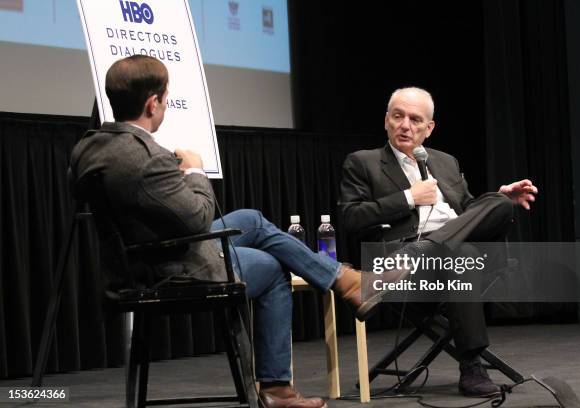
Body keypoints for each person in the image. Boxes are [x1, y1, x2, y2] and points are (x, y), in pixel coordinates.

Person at [69, 55, 409, 408]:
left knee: (250, 218)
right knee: (272, 267)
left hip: (134, 260)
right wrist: (194, 171)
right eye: (166, 99)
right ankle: (278, 388)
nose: (166, 106)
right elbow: (199, 219)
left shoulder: (90, 148)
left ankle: (345, 280)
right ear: (152, 102)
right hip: (166, 269)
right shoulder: (146, 157)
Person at [338, 87, 538, 397]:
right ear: (386, 121)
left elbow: (469, 211)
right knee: (462, 253)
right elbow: (350, 218)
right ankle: (471, 367)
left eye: (416, 119)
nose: (406, 125)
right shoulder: (363, 162)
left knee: (499, 203)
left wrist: (500, 197)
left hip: (418, 258)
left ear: (429, 128)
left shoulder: (445, 162)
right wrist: (408, 198)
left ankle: (420, 251)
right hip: (411, 269)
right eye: (398, 116)